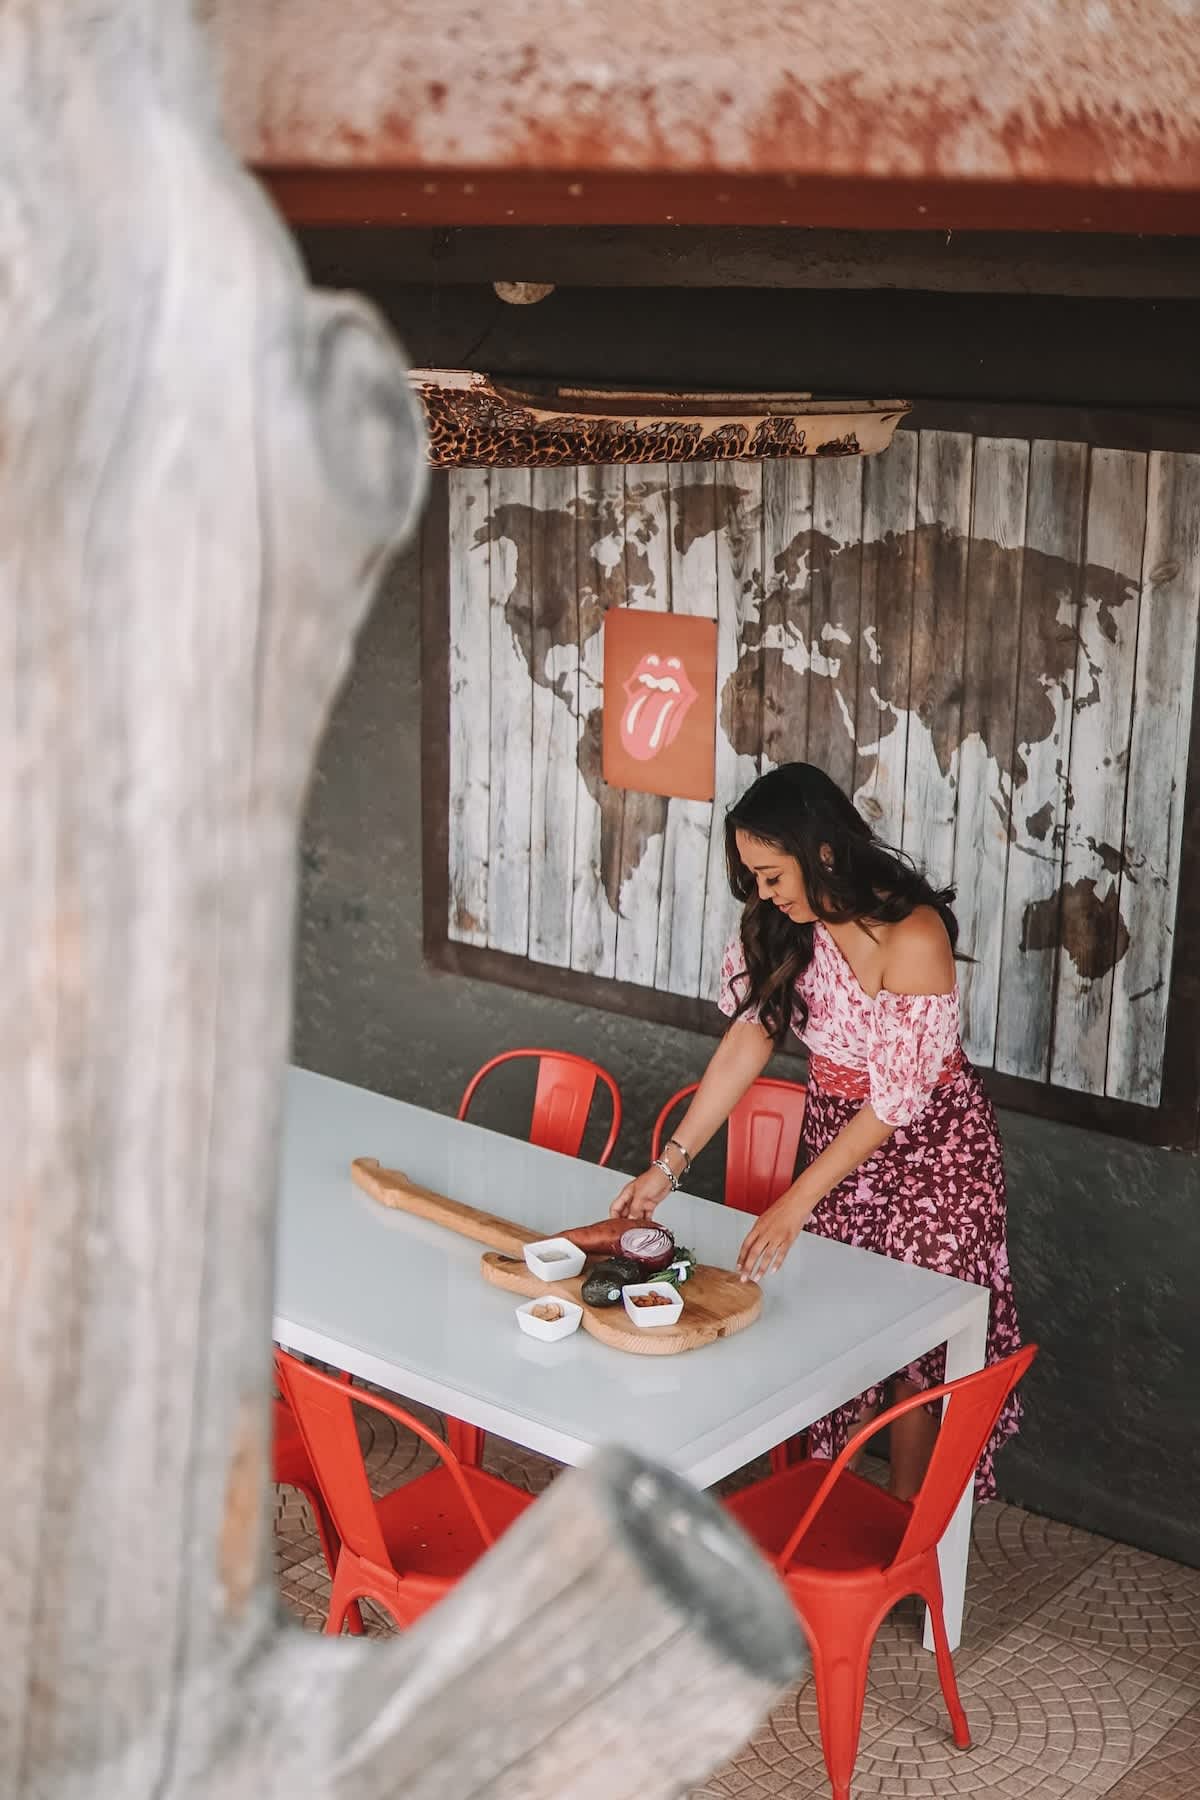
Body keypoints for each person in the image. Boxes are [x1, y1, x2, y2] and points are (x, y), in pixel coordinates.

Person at [611, 761, 1022, 1501]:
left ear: (823, 850)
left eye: (772, 875)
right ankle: (828, 1511)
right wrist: (668, 1165)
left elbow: (895, 1103)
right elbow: (749, 1037)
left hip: (938, 1151)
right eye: (754, 877)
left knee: (921, 1346)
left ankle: (908, 1533)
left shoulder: (913, 934)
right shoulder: (786, 924)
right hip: (838, 1136)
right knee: (841, 1331)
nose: (763, 891)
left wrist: (796, 1200)